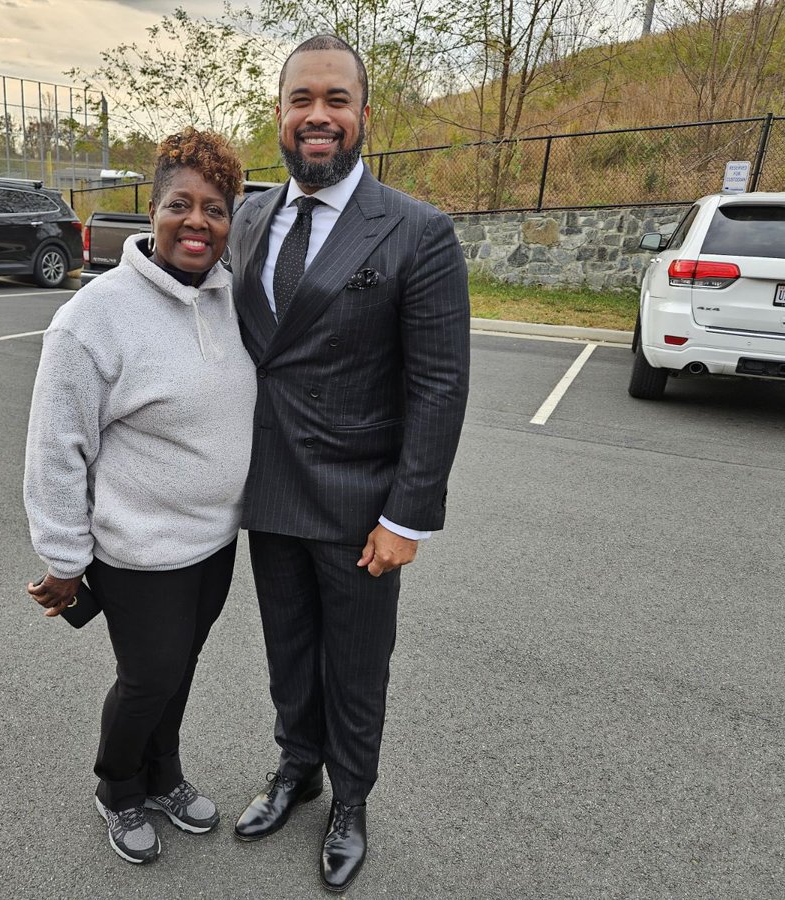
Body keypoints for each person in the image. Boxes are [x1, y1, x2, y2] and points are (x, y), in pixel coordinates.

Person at [227, 35, 471, 892]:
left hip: (361, 505)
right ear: (281, 115)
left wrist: (408, 516)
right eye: (302, 99)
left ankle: (351, 799)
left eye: (336, 99)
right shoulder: (250, 216)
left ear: (365, 116)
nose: (318, 116)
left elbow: (439, 384)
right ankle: (297, 769)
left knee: (357, 667)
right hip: (267, 492)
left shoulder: (416, 231)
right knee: (287, 651)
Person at [23, 129, 256, 865]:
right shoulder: (95, 317)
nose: (197, 221)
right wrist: (63, 559)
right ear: (150, 213)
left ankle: (165, 775)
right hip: (138, 551)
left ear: (230, 224)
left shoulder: (227, 301)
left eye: (215, 209)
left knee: (178, 670)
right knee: (148, 676)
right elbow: (57, 445)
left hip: (215, 543)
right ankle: (118, 786)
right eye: (180, 205)